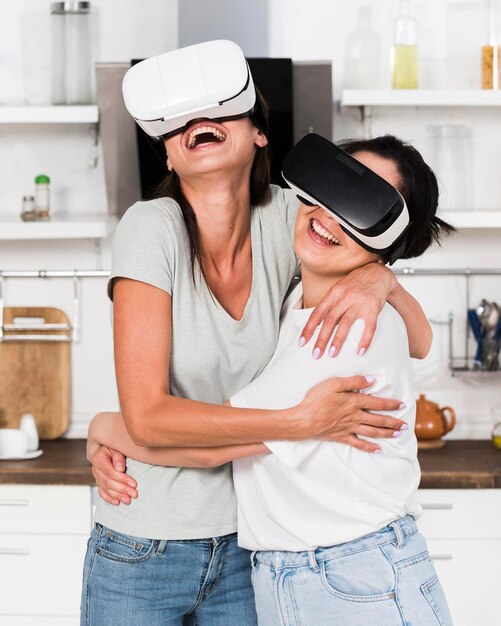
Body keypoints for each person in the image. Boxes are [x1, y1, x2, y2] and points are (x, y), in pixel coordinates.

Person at [82, 46, 432, 625]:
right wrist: (300, 423)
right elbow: (146, 418)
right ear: (167, 150)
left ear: (260, 134)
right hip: (145, 545)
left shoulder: (291, 220)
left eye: (218, 109)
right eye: (179, 121)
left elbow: (417, 340)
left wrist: (381, 275)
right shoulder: (150, 227)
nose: (199, 122)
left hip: (250, 548)